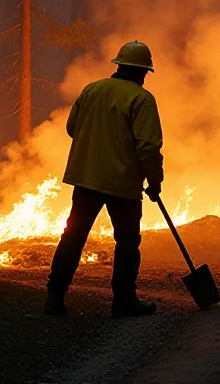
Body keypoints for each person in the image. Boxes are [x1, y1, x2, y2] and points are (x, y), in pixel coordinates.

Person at [44, 40, 165, 319]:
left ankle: (54, 297)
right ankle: (123, 301)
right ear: (142, 72)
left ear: (119, 65)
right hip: (122, 184)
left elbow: (72, 127)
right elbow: (147, 146)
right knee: (126, 242)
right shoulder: (141, 98)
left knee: (73, 237)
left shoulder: (92, 89)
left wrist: (96, 144)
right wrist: (155, 181)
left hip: (86, 178)